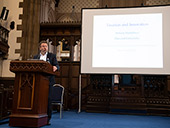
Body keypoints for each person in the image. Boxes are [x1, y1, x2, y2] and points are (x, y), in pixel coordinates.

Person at [33, 40, 60, 125]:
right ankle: (36, 116)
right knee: (36, 99)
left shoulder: (52, 56)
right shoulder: (35, 57)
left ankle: (47, 118)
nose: (44, 48)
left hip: (49, 82)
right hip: (37, 82)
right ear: (40, 48)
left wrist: (55, 67)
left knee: (48, 100)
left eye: (46, 46)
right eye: (43, 46)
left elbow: (57, 65)